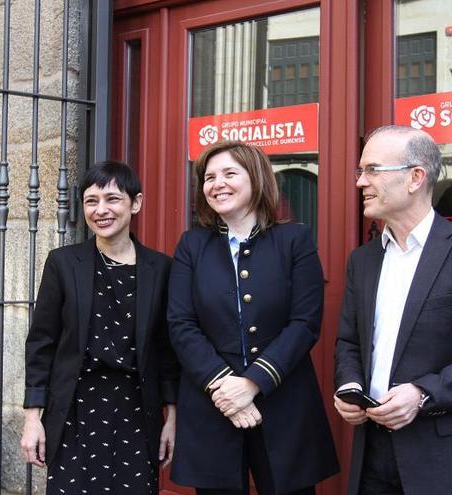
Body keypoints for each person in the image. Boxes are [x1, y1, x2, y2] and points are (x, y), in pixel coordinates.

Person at [334, 126, 452, 495]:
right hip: (372, 452)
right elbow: (348, 341)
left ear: (415, 177)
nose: (361, 182)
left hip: (444, 457)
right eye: (360, 172)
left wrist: (423, 394)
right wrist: (349, 386)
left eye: (372, 169)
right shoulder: (363, 260)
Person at [168, 141, 339, 494]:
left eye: (230, 173)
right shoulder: (192, 245)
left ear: (256, 178)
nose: (217, 184)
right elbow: (181, 325)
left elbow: (305, 322)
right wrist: (224, 388)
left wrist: (252, 383)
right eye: (209, 177)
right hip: (213, 405)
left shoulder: (295, 240)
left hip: (284, 404)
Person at [21, 161, 180, 494]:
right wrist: (32, 418)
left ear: (135, 203)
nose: (101, 210)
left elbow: (168, 351)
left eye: (112, 199)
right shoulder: (63, 264)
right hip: (75, 411)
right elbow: (41, 344)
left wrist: (173, 418)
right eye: (91, 201)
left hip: (137, 411)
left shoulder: (161, 268)